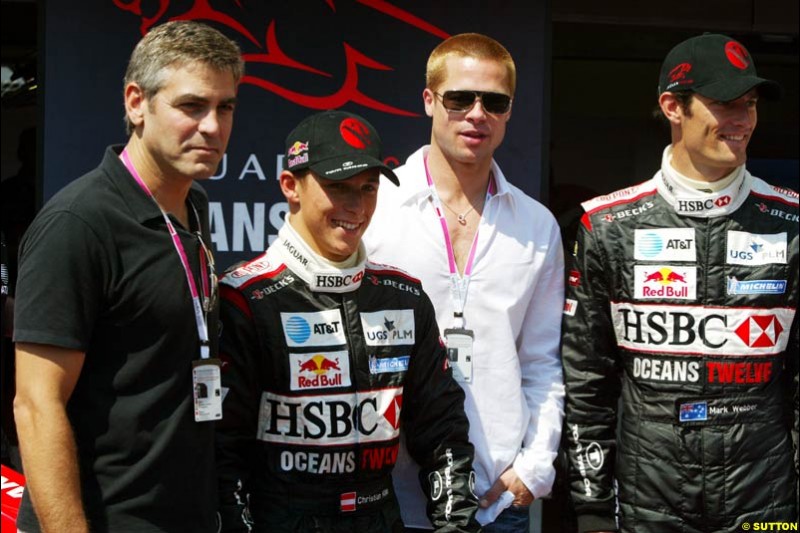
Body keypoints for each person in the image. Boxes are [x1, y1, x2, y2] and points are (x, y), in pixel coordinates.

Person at [561, 33, 798, 533]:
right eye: (724, 104)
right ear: (673, 106)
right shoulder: (608, 226)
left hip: (767, 503)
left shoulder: (790, 224)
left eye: (750, 106)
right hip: (648, 502)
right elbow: (587, 380)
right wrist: (592, 506)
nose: (742, 121)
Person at [13, 21, 243, 533]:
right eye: (192, 106)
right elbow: (35, 404)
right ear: (137, 103)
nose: (212, 126)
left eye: (225, 107)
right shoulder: (78, 225)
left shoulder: (195, 206)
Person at [215, 110, 481, 533]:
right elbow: (220, 456)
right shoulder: (245, 300)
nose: (356, 207)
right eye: (338, 187)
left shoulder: (405, 297)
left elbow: (443, 431)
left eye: (368, 189)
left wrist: (457, 527)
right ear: (291, 186)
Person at [364, 33, 566, 531]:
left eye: (494, 102)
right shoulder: (374, 207)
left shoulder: (537, 225)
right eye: (460, 98)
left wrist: (533, 468)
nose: (477, 114)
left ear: (509, 112)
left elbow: (541, 361)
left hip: (495, 502)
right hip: (388, 496)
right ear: (430, 100)